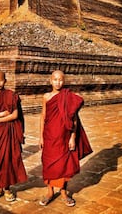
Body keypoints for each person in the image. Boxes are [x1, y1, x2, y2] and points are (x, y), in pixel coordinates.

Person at [39, 70, 93, 207]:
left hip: (64, 137)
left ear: (64, 81)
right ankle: (49, 192)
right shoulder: (46, 97)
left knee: (64, 165)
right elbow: (43, 117)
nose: (58, 82)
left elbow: (74, 119)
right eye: (55, 79)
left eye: (61, 80)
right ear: (50, 80)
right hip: (50, 136)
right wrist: (40, 137)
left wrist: (73, 137)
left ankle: (63, 192)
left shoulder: (68, 97)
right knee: (48, 164)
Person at [0, 71, 28, 202]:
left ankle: (7, 189)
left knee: (8, 159)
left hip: (7, 131)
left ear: (5, 80)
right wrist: (1, 114)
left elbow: (14, 115)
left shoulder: (11, 95)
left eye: (1, 80)